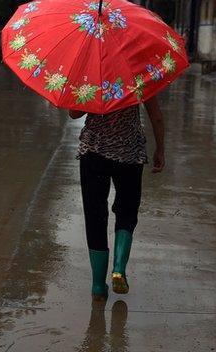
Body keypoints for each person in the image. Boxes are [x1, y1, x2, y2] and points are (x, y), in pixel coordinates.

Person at [69, 97, 165, 300]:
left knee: (95, 215)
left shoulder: (93, 75)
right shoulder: (139, 72)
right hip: (129, 152)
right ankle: (119, 268)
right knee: (127, 210)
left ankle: (97, 286)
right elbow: (156, 117)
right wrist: (160, 149)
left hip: (94, 152)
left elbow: (74, 113)